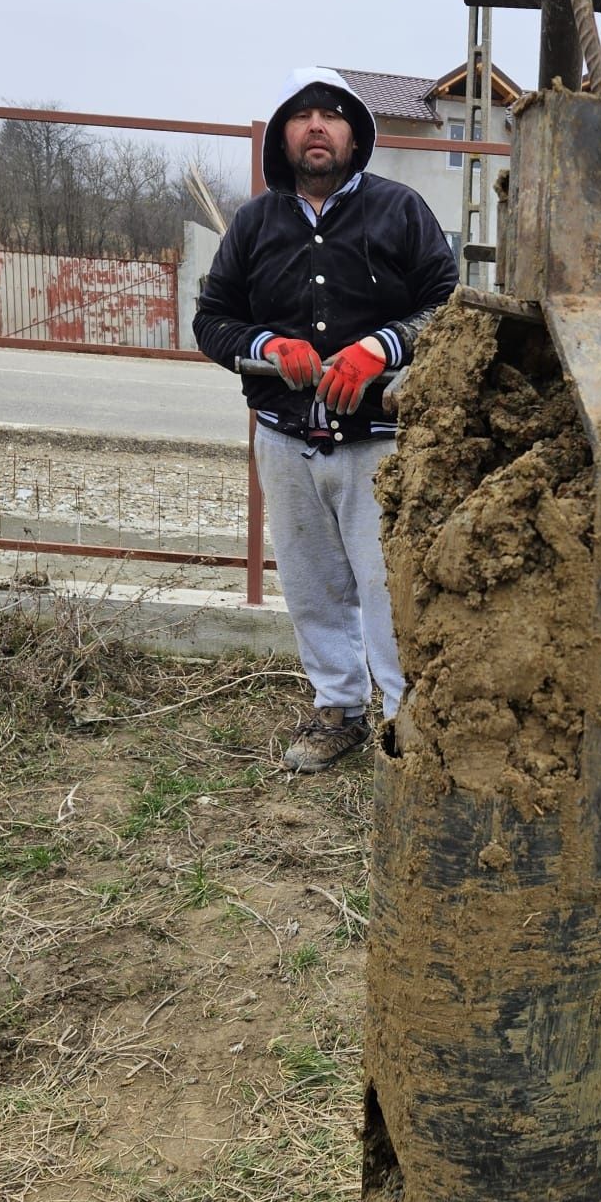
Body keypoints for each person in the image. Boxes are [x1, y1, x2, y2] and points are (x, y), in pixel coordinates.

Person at [194, 67, 458, 772]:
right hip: (284, 436)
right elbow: (213, 319)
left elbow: (448, 304)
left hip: (381, 443)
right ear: (284, 135)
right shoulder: (255, 223)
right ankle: (338, 706)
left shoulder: (400, 211)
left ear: (354, 135)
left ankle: (407, 724)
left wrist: (383, 347)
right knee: (312, 583)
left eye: (333, 115)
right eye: (303, 115)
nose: (318, 125)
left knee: (387, 587)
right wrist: (266, 346)